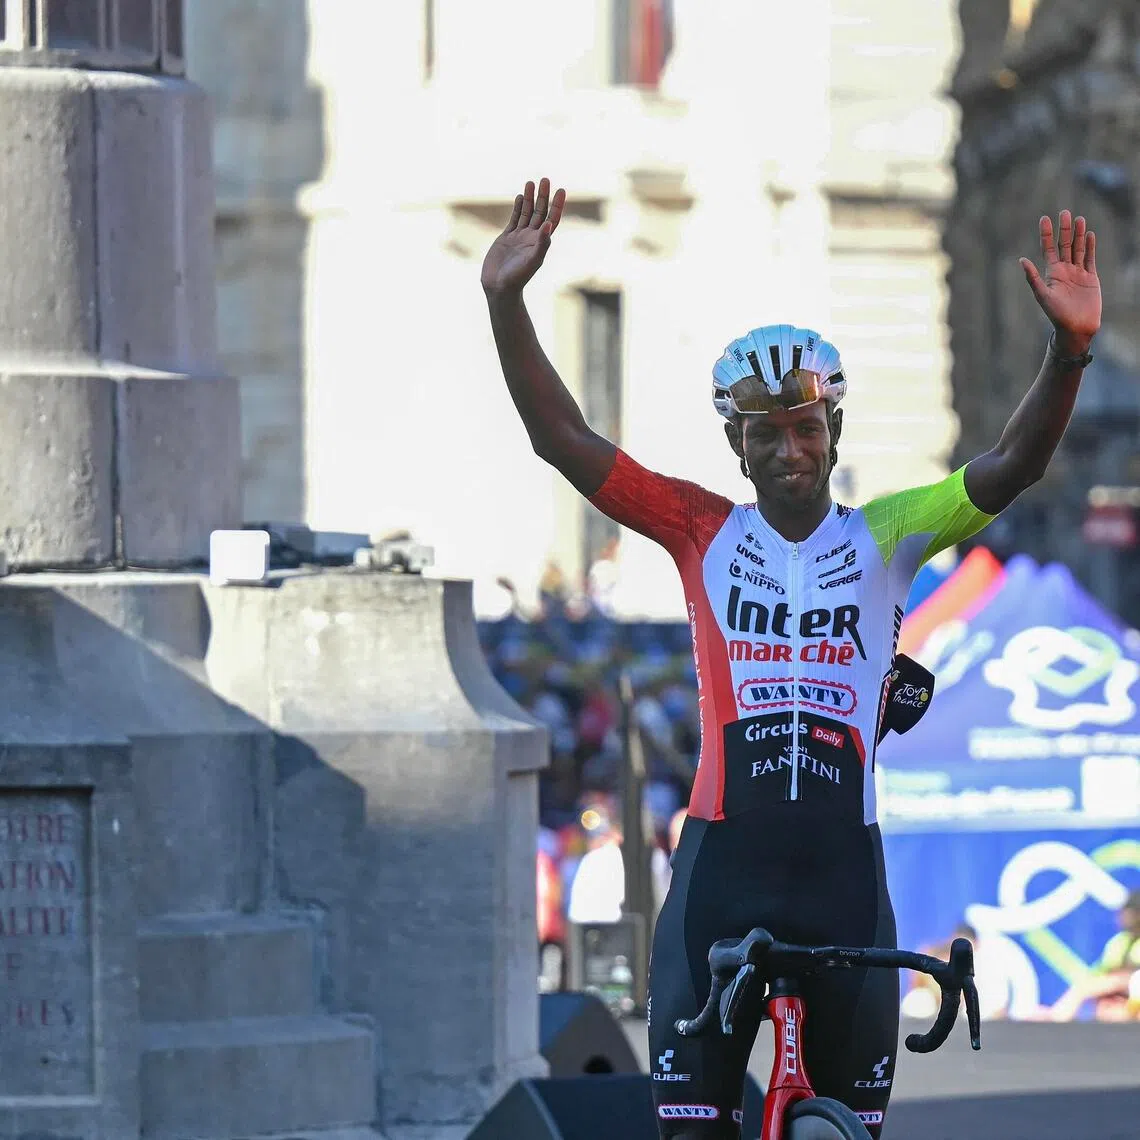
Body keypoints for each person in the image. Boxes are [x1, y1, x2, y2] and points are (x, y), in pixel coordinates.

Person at [482, 177, 1101, 1139]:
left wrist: (1069, 353)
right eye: (763, 433)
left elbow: (1012, 465)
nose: (787, 448)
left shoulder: (892, 534)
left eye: (804, 427)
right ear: (737, 446)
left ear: (832, 432)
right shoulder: (697, 530)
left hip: (842, 878)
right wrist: (507, 303)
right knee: (692, 1130)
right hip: (722, 874)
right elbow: (563, 440)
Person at [1050, 888, 1140, 1022]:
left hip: (1134, 998)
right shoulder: (1119, 942)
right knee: (1084, 990)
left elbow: (1130, 978)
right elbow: (1100, 974)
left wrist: (1120, 982)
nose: (1122, 917)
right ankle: (1054, 1024)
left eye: (1128, 913)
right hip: (1123, 996)